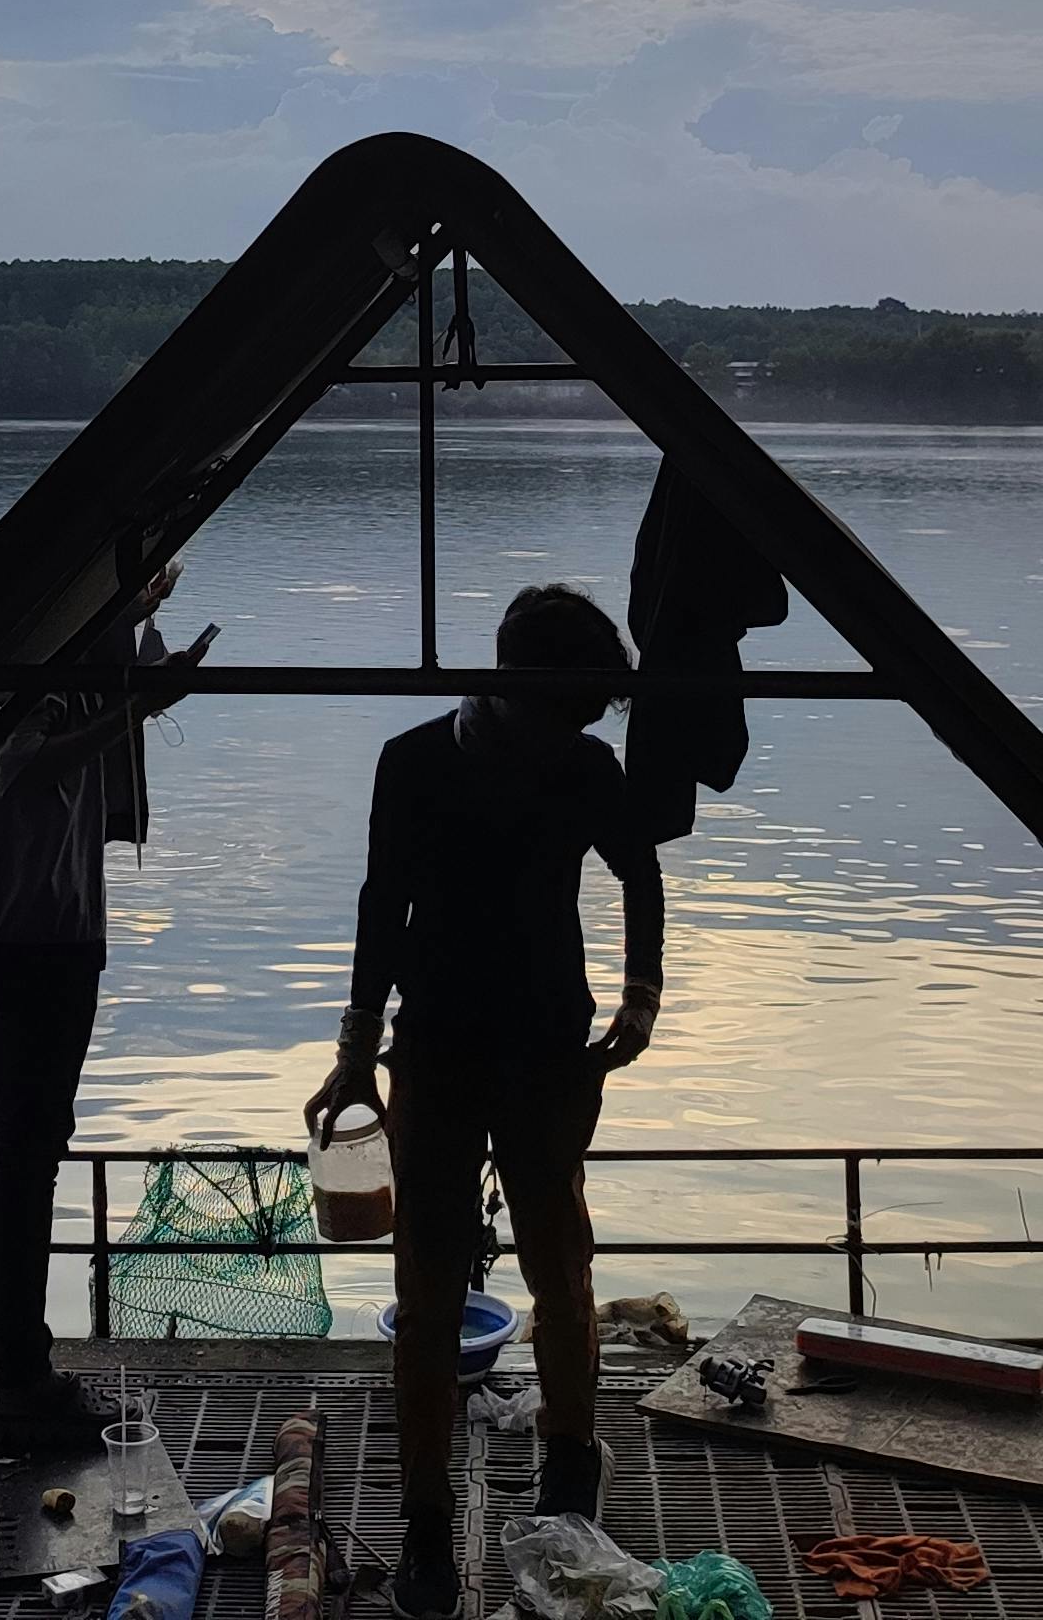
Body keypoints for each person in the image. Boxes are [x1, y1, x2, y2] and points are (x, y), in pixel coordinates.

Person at [306, 584, 663, 1616]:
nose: (592, 723)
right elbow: (382, 899)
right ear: (527, 683)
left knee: (560, 1258)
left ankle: (569, 1468)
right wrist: (356, 1049)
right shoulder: (414, 762)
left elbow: (639, 873)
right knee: (424, 1281)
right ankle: (425, 1521)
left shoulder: (584, 765)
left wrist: (639, 1004)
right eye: (581, 703)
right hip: (441, 1047)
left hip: (553, 1044)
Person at [0, 561, 203, 1450]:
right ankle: (21, 1375)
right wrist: (138, 709)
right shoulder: (31, 661)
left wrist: (136, 613)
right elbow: (19, 763)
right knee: (27, 1147)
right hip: (34, 925)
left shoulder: (19, 634)